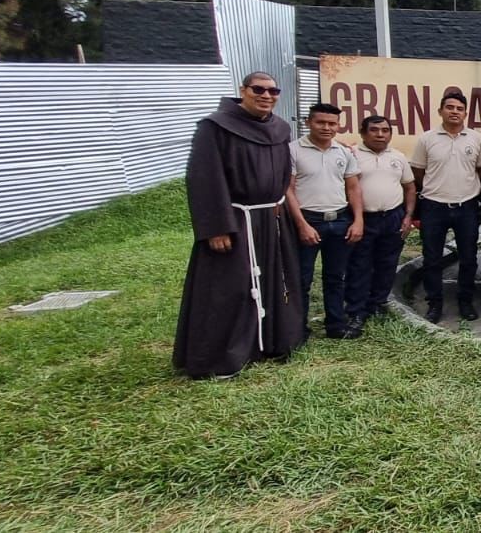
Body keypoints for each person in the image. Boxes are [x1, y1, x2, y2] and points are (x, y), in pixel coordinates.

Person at [173, 72, 307, 379]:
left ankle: (269, 342)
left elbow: (284, 174)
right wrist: (215, 227)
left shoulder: (280, 128)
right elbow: (203, 178)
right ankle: (223, 355)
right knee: (229, 288)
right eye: (258, 89)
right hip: (235, 218)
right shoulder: (214, 127)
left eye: (273, 90)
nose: (266, 95)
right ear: (242, 91)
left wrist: (279, 204)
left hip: (270, 217)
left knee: (274, 281)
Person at [286, 103, 365, 339]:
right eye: (321, 122)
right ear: (308, 122)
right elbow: (288, 190)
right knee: (302, 279)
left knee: (336, 277)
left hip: (340, 220)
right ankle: (297, 330)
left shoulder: (343, 153)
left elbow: (353, 188)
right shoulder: (293, 150)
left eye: (332, 123)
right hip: (309, 221)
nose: (327, 128)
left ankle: (336, 325)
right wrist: (302, 224)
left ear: (338, 126)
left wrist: (358, 220)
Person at [410, 90, 481, 324]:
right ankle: (435, 304)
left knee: (469, 258)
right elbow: (418, 173)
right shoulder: (427, 139)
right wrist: (436, 190)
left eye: (459, 109)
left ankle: (465, 301)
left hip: (467, 206)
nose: (455, 112)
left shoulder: (476, 139)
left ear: (465, 113)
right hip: (434, 207)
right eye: (450, 107)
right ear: (440, 111)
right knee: (432, 258)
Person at [347, 115, 415, 320]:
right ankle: (355, 311)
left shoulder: (398, 157)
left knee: (387, 264)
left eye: (385, 130)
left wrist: (408, 216)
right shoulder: (352, 154)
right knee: (360, 265)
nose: (380, 134)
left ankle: (377, 304)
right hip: (363, 218)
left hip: (393, 217)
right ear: (363, 133)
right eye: (374, 130)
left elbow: (410, 188)